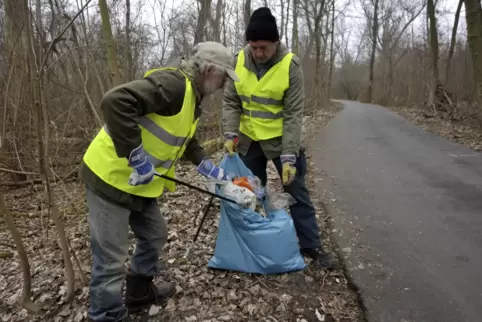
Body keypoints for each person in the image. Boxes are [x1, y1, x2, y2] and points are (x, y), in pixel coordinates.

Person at [79, 41, 239, 322]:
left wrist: (208, 168)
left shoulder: (193, 96)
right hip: (110, 178)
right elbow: (115, 101)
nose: (225, 84)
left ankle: (139, 292)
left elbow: (185, 139)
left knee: (154, 235)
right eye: (224, 76)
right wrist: (136, 157)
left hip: (138, 185)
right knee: (111, 259)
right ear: (210, 70)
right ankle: (106, 315)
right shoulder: (174, 85)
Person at [222, 7, 338, 269]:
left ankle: (311, 245)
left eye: (263, 47)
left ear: (276, 42)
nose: (258, 52)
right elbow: (231, 100)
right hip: (250, 140)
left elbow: (294, 114)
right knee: (250, 192)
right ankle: (257, 242)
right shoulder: (238, 59)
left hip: (280, 141)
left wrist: (289, 158)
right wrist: (230, 132)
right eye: (254, 46)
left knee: (296, 191)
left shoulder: (291, 66)